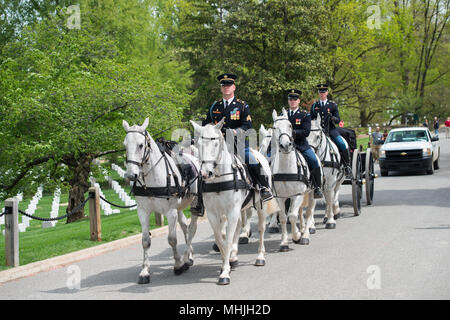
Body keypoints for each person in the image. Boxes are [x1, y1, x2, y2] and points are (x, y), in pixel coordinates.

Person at [202, 73, 273, 202]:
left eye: (229, 85)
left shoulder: (242, 106)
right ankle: (199, 200)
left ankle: (263, 187)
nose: (226, 88)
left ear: (234, 87)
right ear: (221, 88)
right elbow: (206, 124)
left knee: (252, 160)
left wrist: (235, 132)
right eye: (224, 85)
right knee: (202, 163)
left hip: (237, 143)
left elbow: (248, 125)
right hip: (217, 145)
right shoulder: (215, 106)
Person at [285, 89, 323, 198]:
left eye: (295, 99)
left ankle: (316, 187)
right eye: (290, 99)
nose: (292, 101)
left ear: (298, 101)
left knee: (314, 161)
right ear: (288, 101)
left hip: (300, 144)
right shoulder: (283, 114)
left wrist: (291, 133)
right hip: (285, 145)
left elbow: (306, 132)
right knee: (269, 158)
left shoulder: (305, 115)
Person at [310, 84, 351, 176]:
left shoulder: (332, 105)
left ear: (327, 93)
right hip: (317, 131)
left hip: (331, 130)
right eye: (320, 92)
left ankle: (346, 165)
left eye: (324, 92)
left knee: (342, 144)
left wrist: (332, 118)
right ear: (318, 93)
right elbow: (311, 120)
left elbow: (338, 119)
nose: (322, 94)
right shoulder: (314, 106)